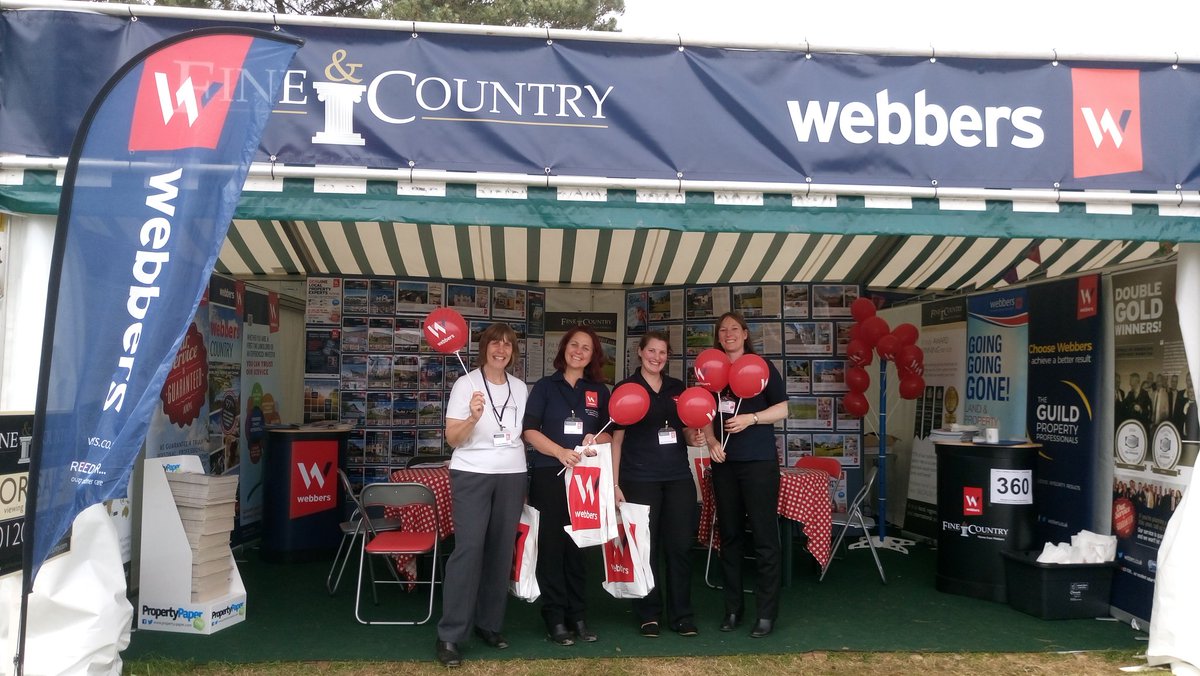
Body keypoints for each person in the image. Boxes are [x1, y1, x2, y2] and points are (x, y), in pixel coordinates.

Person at [434, 323, 528, 668]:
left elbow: (521, 433)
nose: (500, 350)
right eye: (494, 344)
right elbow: (453, 439)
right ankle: (450, 635)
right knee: (469, 549)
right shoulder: (466, 383)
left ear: (513, 352)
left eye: (507, 345)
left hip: (512, 474)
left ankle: (489, 624)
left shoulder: (520, 388)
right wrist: (473, 418)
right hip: (472, 473)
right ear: (484, 348)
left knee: (501, 551)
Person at [522, 325, 612, 646]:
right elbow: (529, 430)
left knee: (579, 548)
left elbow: (609, 433)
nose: (579, 351)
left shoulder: (599, 391)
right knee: (552, 547)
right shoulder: (546, 386)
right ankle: (555, 616)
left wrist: (595, 438)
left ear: (593, 356)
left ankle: (578, 616)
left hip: (586, 479)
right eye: (574, 345)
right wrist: (559, 451)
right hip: (550, 473)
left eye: (586, 348)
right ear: (563, 349)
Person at [701, 311, 789, 638]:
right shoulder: (711, 371)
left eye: (734, 329)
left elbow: (782, 409)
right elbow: (705, 413)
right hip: (724, 465)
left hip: (759, 463)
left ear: (745, 333)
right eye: (723, 330)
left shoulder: (762, 368)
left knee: (766, 538)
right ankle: (733, 609)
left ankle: (766, 614)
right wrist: (711, 442)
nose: (728, 334)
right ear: (718, 336)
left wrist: (750, 419)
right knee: (731, 537)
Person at [611, 331, 700, 638]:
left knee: (679, 548)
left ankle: (682, 615)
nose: (656, 357)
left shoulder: (678, 388)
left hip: (677, 478)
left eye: (663, 352)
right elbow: (616, 441)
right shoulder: (626, 388)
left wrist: (695, 436)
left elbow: (687, 431)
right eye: (652, 351)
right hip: (639, 479)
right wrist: (614, 483)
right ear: (640, 352)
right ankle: (648, 614)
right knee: (645, 551)